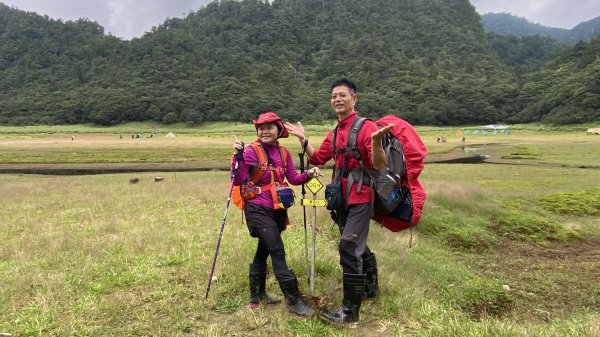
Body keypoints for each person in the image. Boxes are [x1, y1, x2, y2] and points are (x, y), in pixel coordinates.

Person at [285, 79, 392, 324]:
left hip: (361, 197)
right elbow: (319, 158)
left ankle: (350, 312)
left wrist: (376, 142)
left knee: (347, 247)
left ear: (354, 98)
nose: (337, 99)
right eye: (334, 96)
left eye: (342, 95)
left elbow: (378, 164)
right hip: (341, 198)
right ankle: (370, 288)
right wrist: (303, 140)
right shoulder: (334, 132)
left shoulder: (366, 127)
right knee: (356, 245)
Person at [232, 111, 320, 317]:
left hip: (277, 210)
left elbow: (293, 179)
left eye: (269, 127)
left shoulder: (284, 154)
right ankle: (294, 301)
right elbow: (239, 179)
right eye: (261, 128)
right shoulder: (251, 151)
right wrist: (238, 157)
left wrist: (309, 174)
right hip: (257, 209)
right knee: (277, 251)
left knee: (263, 250)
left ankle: (257, 295)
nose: (264, 131)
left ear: (278, 131)